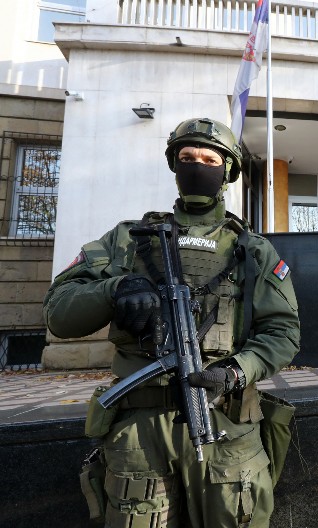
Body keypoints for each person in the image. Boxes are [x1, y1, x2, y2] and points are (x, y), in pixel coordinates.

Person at [43, 117, 300, 527]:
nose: (197, 165)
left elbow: (283, 332)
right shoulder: (127, 240)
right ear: (174, 166)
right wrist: (116, 289)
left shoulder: (252, 249)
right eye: (187, 157)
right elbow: (59, 313)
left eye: (209, 158)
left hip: (225, 425)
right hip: (139, 431)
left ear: (228, 170)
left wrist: (237, 371)